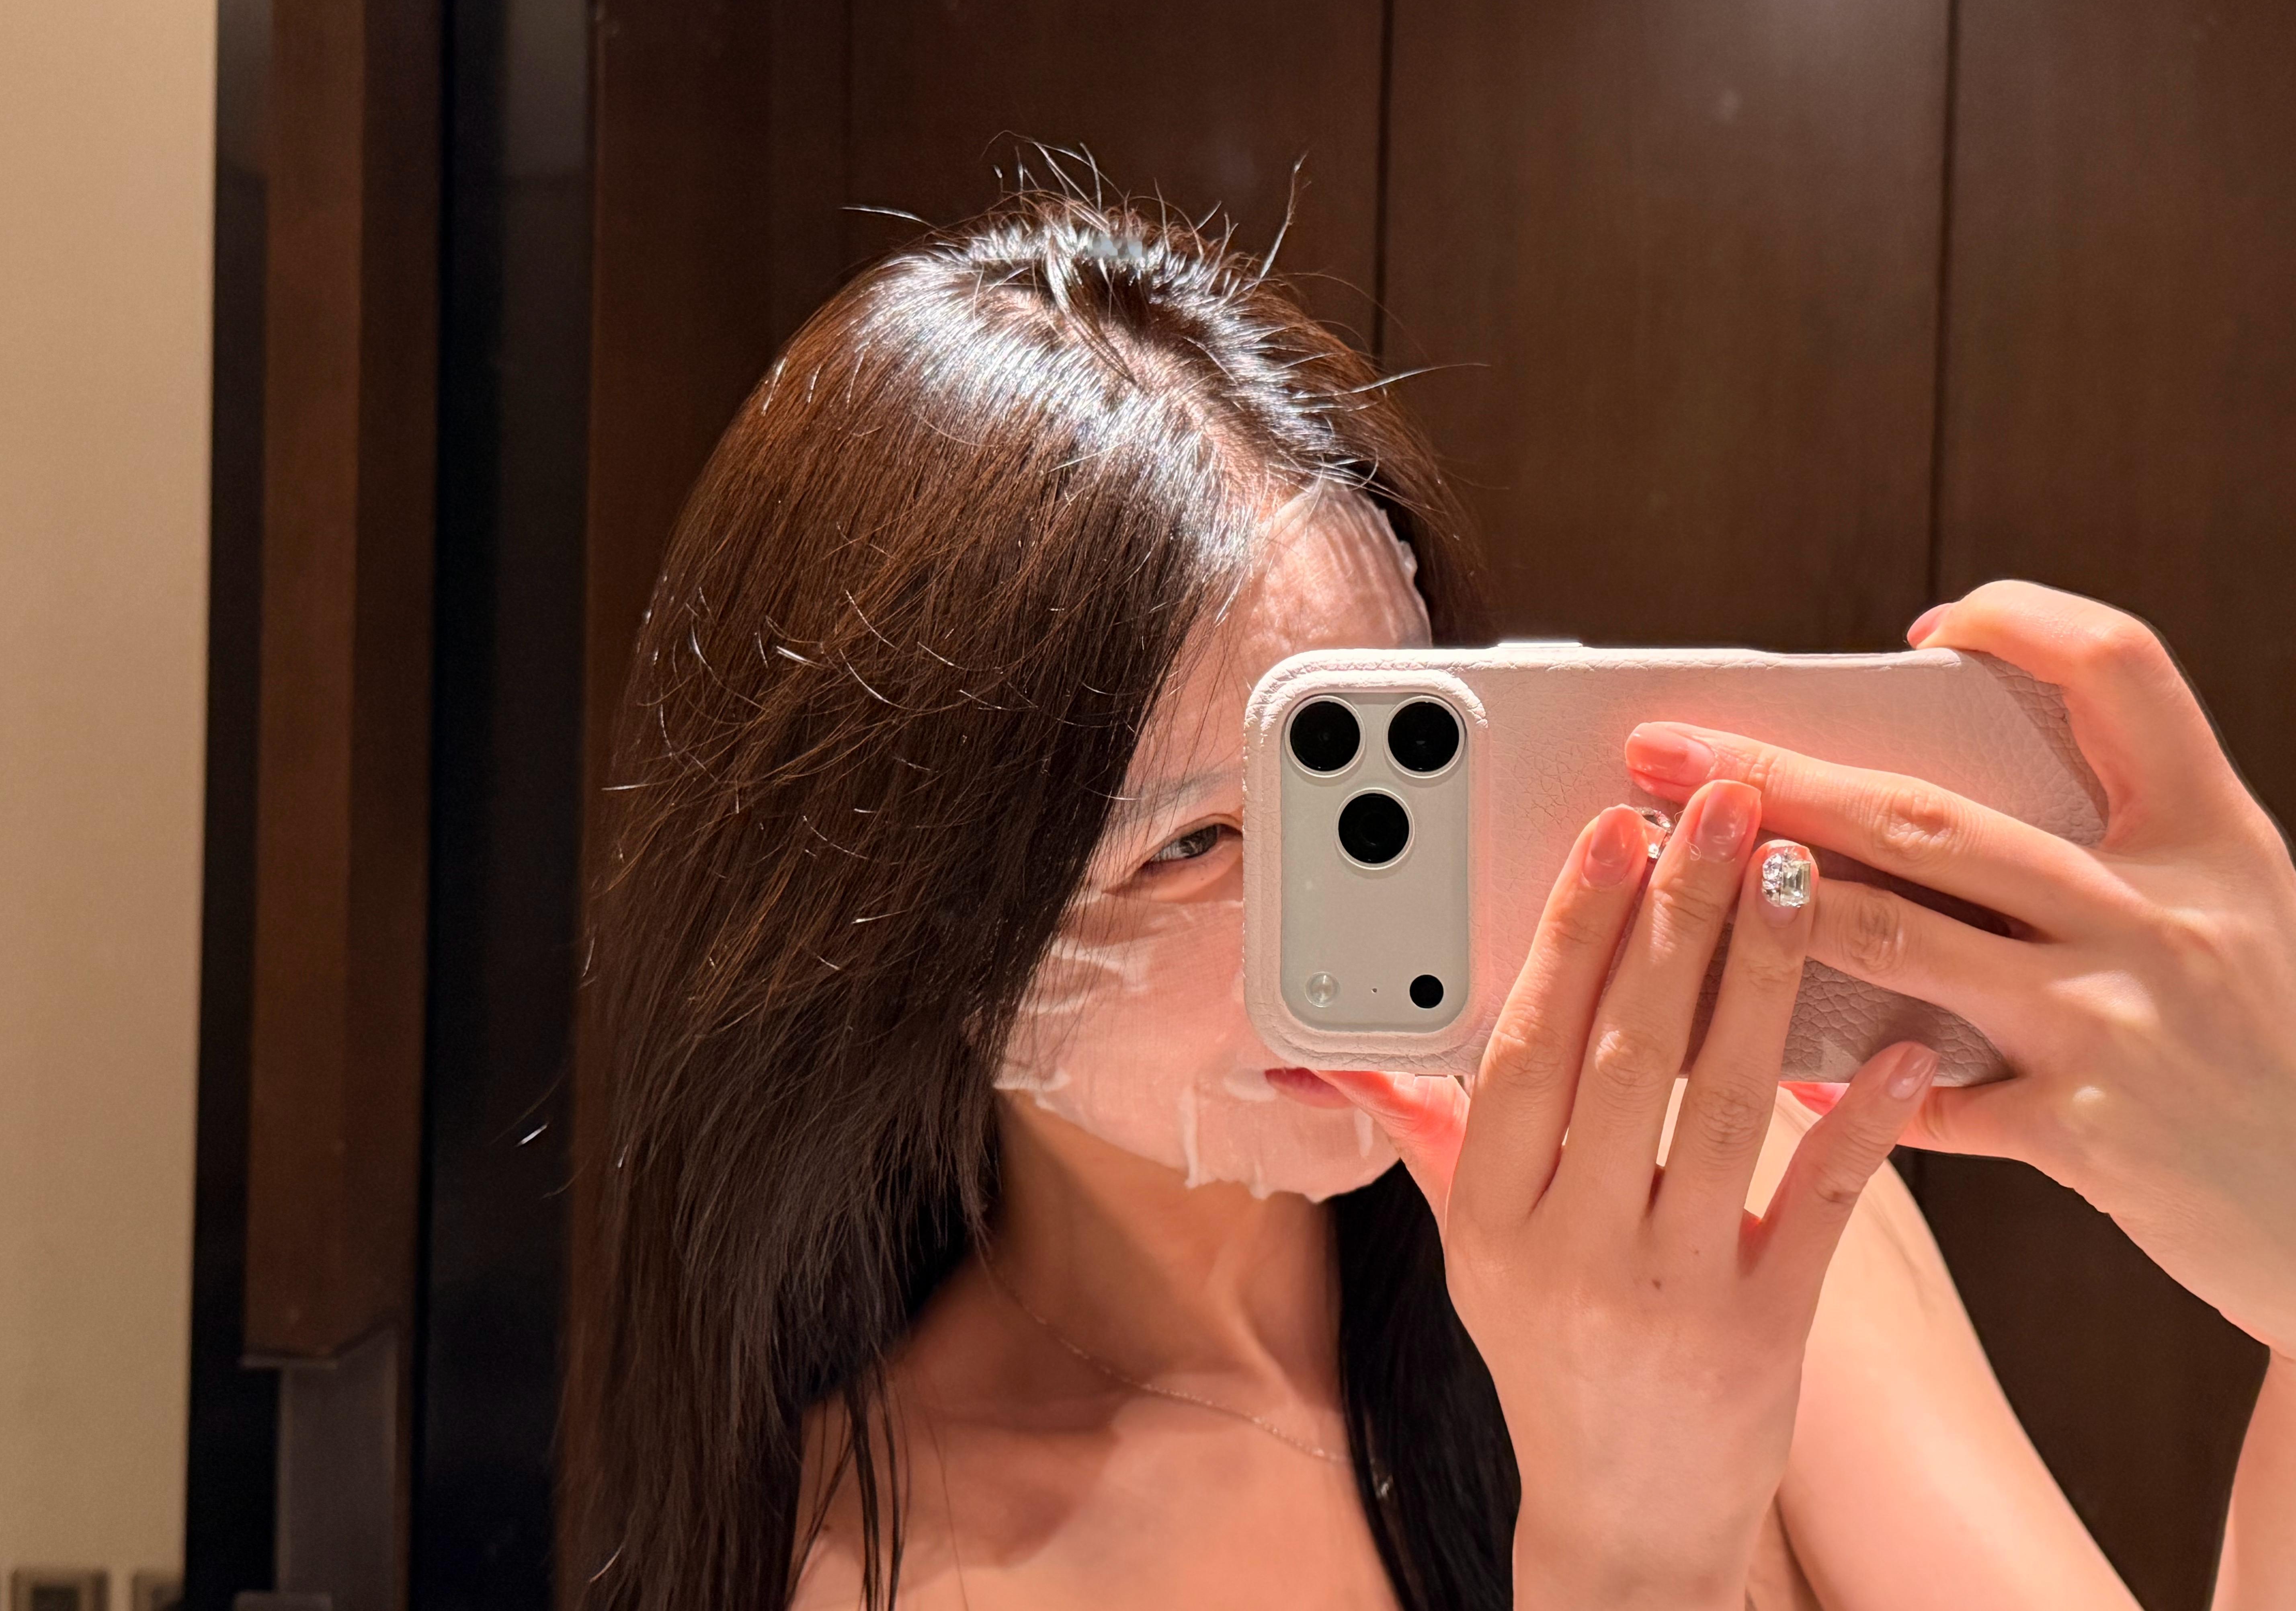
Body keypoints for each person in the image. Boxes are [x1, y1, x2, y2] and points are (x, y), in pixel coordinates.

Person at [574, 191, 2296, 1610]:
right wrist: (1634, 1555)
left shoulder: (1710, 1184)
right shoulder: (906, 1556)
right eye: (1187, 845)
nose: (1339, 917)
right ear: (913, 931)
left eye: (1377, 777)